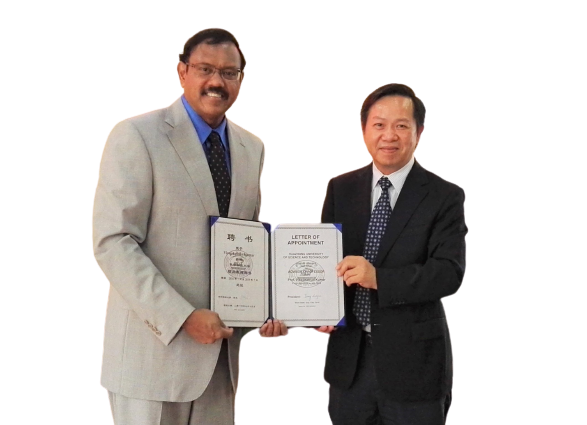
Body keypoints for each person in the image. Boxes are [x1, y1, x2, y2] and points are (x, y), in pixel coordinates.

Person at [92, 28, 287, 425]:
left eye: (229, 72)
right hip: (152, 360)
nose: (217, 81)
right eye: (205, 69)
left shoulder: (252, 147)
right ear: (182, 72)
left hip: (220, 364)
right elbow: (114, 241)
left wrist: (270, 308)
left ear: (241, 80)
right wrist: (182, 317)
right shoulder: (135, 134)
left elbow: (247, 241)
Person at [316, 84, 467, 425]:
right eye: (379, 125)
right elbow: (326, 260)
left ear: (419, 132)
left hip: (413, 364)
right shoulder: (341, 188)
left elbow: (449, 272)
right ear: (364, 130)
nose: (389, 135)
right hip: (348, 363)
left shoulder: (444, 195)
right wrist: (319, 307)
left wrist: (379, 279)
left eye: (401, 125)